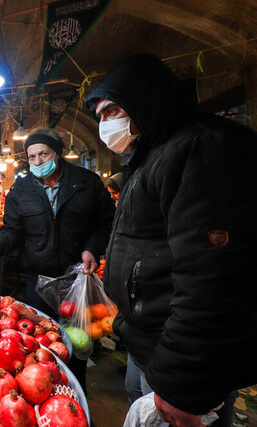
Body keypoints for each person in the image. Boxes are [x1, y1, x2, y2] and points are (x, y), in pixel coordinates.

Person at [85, 53, 257, 426]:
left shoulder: (198, 150)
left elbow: (212, 278)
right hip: (148, 341)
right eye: (99, 116)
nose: (105, 123)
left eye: (112, 110)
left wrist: (182, 380)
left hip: (182, 354)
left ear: (144, 100)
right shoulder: (151, 154)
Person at [0, 128, 114, 393]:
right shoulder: (22, 189)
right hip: (38, 284)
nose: (38, 162)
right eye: (32, 157)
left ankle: (74, 399)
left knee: (76, 348)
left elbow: (106, 223)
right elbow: (13, 231)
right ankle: (44, 396)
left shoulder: (86, 183)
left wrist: (91, 248)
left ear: (58, 153)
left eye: (44, 154)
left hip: (76, 280)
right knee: (40, 348)